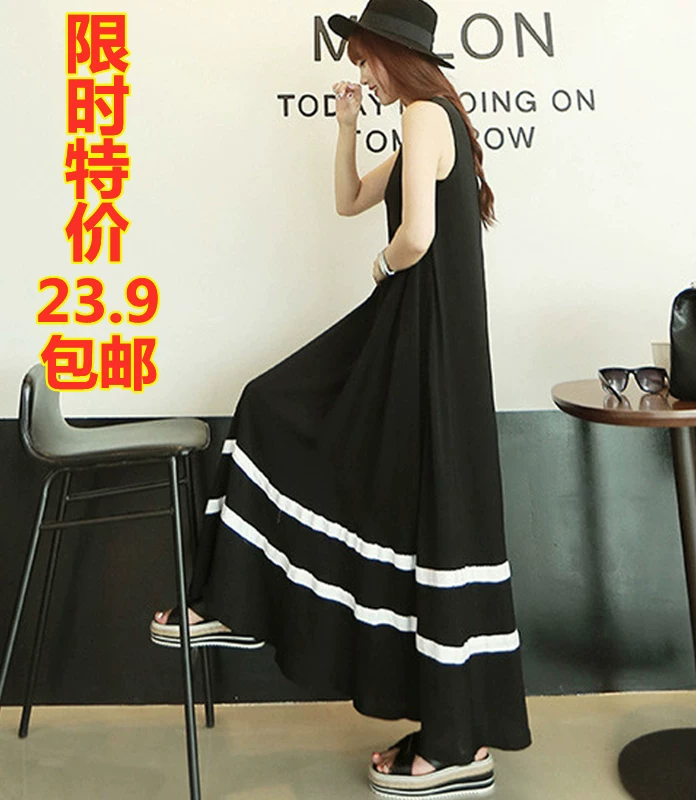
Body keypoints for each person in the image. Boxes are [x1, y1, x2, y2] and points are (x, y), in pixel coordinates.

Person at [151, 0, 531, 795]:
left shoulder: (425, 116)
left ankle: (452, 743)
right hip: (423, 334)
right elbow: (351, 199)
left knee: (280, 410)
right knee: (404, 502)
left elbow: (416, 237)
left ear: (396, 55)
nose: (362, 73)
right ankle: (442, 727)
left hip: (420, 331)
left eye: (365, 60)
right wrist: (347, 125)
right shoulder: (427, 120)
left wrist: (384, 268)